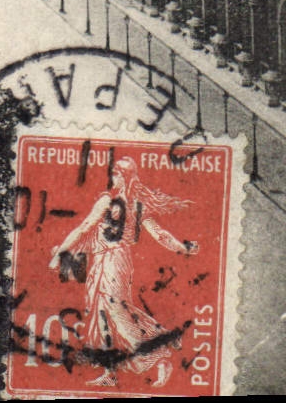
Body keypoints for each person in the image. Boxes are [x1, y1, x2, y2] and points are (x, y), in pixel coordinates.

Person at [49, 158, 197, 388]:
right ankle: (111, 371)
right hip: (109, 261)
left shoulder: (108, 200)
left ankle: (158, 355)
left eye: (116, 173)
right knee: (102, 315)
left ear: (122, 176)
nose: (113, 177)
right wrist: (184, 248)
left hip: (112, 261)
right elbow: (161, 235)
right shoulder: (138, 205)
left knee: (116, 312)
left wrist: (61, 253)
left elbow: (85, 227)